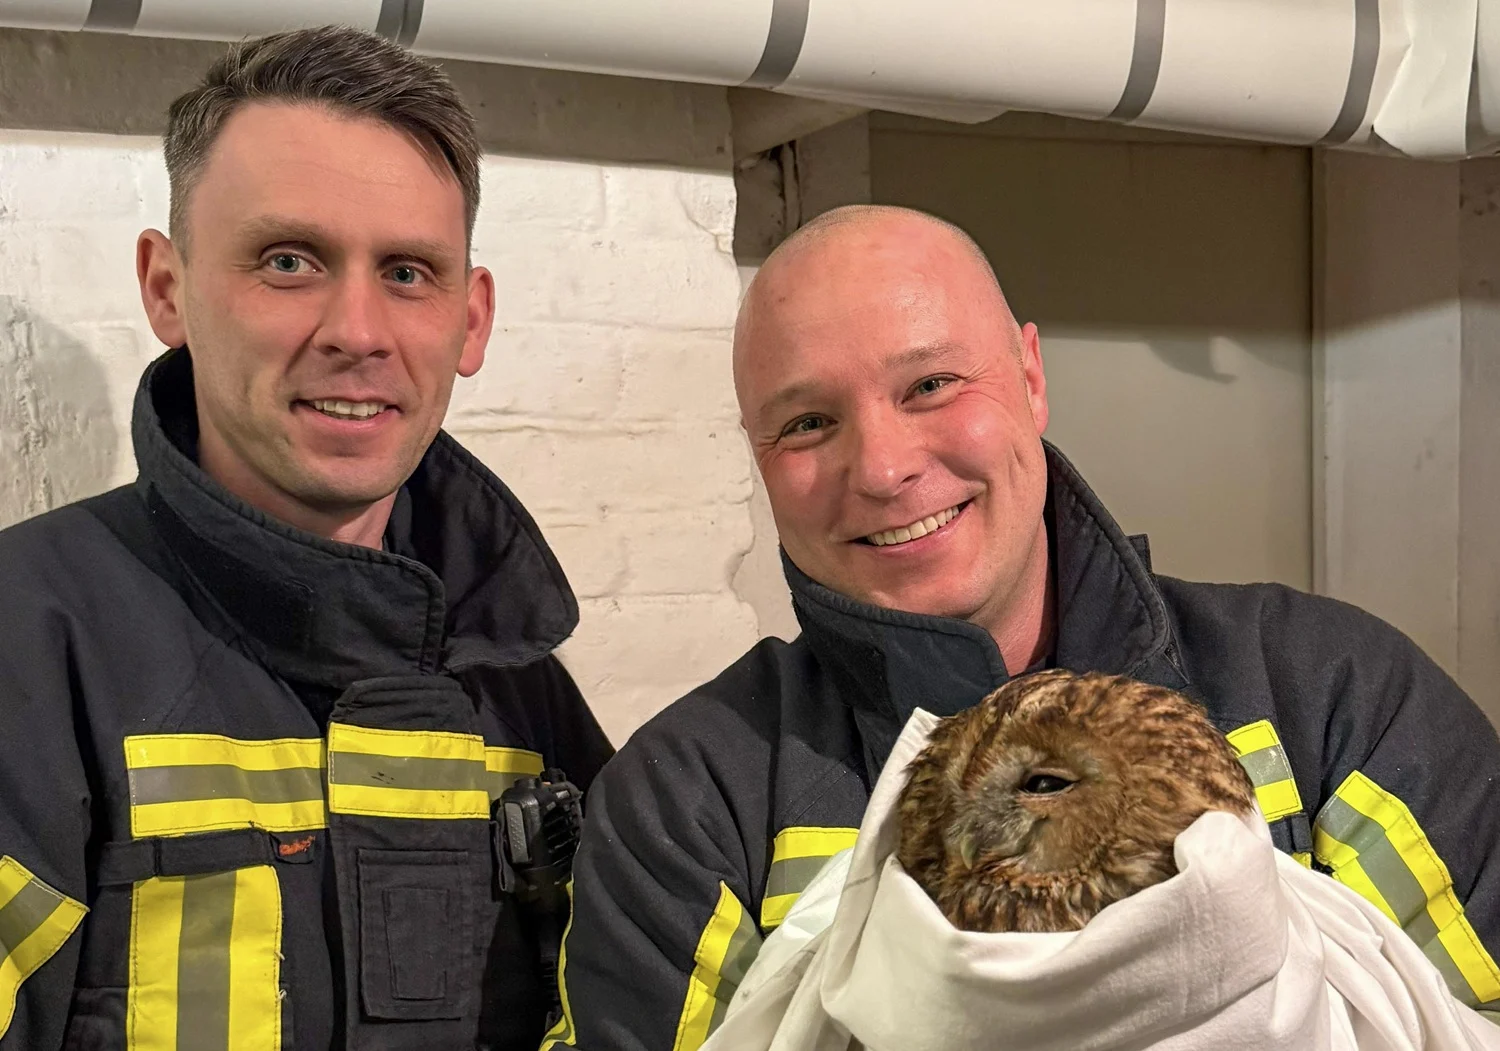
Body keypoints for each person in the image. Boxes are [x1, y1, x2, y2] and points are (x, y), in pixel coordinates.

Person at [547, 204, 1500, 1049]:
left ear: (1032, 376)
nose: (882, 467)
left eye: (930, 384)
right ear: (757, 458)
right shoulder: (689, 800)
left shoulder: (1330, 695)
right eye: (807, 423)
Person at [0, 25, 612, 1051]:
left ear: (471, 320)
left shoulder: (524, 688)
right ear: (166, 288)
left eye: (408, 272)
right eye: (289, 261)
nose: (357, 331)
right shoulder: (28, 643)